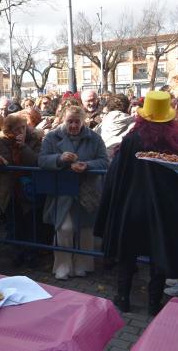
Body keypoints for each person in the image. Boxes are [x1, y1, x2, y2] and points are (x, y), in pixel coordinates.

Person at [95, 91, 178, 315]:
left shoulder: (132, 139)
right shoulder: (174, 142)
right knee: (158, 254)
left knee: (128, 252)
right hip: (164, 209)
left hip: (132, 205)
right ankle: (154, 304)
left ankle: (123, 298)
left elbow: (116, 173)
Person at [38, 105, 108, 280]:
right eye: (70, 121)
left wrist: (87, 166)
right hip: (63, 190)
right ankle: (63, 265)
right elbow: (42, 160)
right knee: (64, 227)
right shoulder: (52, 137)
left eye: (77, 121)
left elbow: (104, 161)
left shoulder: (94, 138)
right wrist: (59, 159)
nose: (74, 125)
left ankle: (83, 265)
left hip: (87, 190)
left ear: (84, 121)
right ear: (63, 119)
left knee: (85, 229)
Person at [0, 113, 44, 266]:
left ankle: (31, 254)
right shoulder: (0, 140)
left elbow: (36, 161)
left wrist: (24, 147)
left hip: (28, 187)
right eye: (17, 129)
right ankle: (17, 254)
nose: (21, 131)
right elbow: (3, 160)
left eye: (23, 127)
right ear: (9, 130)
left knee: (31, 223)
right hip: (9, 188)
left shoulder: (34, 138)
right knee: (14, 223)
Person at [93, 94, 134, 160]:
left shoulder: (101, 125)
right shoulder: (134, 125)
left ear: (108, 107)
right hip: (121, 165)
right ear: (128, 107)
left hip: (102, 163)